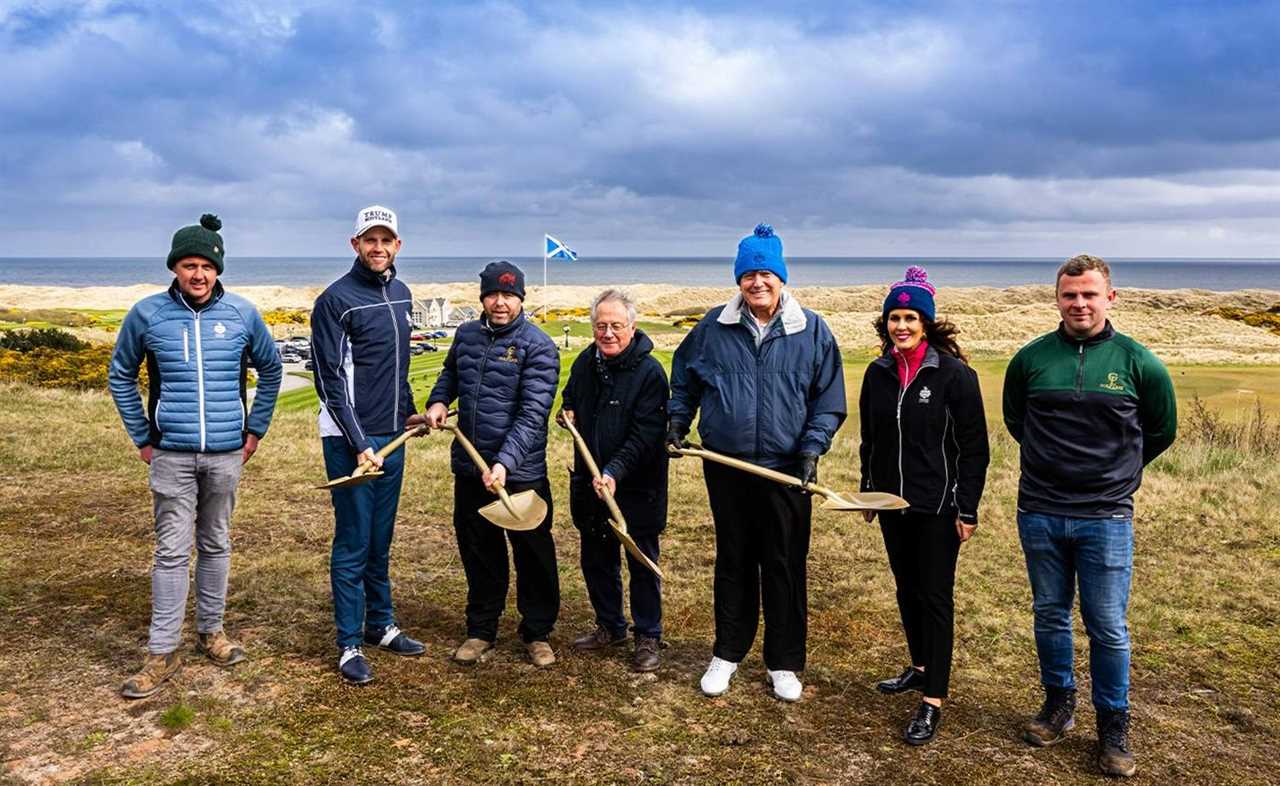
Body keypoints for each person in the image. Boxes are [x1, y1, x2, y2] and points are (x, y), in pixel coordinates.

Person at [1003, 254, 1177, 778]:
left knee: (1107, 626)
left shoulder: (1138, 362)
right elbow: (1017, 421)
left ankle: (1112, 724)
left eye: (1089, 294)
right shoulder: (1031, 359)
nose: (1079, 303)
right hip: (1040, 510)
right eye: (1069, 295)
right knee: (1050, 614)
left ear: (1110, 298)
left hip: (1106, 517)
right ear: (1057, 299)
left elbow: (1160, 430)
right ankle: (1059, 704)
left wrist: (1117, 474)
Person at [668, 224, 846, 702]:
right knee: (734, 560)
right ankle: (727, 652)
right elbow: (685, 380)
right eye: (749, 274)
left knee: (785, 564)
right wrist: (677, 421)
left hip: (787, 469)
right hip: (726, 466)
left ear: (782, 278)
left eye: (766, 272)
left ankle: (784, 663)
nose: (758, 282)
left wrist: (812, 447)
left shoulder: (812, 330)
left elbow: (828, 400)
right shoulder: (713, 327)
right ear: (739, 280)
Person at [109, 213, 282, 698]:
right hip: (170, 454)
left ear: (218, 269)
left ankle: (212, 632)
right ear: (175, 269)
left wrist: (256, 430)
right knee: (170, 550)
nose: (199, 275)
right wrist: (142, 435)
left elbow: (271, 370)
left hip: (228, 453)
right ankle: (162, 652)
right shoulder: (147, 315)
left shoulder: (243, 315)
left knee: (217, 543)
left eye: (206, 266)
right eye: (189, 266)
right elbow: (120, 374)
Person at [857, 266, 990, 744]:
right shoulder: (877, 373)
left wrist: (967, 508)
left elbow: (974, 448)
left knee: (934, 597)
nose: (902, 325)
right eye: (895, 316)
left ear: (927, 323)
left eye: (911, 317)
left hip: (938, 506)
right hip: (892, 504)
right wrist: (867, 490)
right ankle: (918, 666)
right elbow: (870, 438)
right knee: (906, 589)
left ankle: (933, 698)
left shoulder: (955, 376)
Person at [414, 260, 562, 667]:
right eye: (493, 294)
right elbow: (449, 376)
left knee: (533, 553)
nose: (501, 303)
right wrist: (439, 401)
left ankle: (537, 632)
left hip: (520, 473)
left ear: (521, 299)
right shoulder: (466, 335)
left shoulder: (538, 346)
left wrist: (505, 464)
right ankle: (481, 629)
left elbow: (534, 414)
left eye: (509, 296)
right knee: (479, 551)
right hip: (470, 466)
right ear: (482, 297)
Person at [311, 205, 426, 685]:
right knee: (354, 540)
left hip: (391, 436)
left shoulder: (401, 294)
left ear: (397, 245)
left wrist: (410, 411)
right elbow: (330, 381)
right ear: (354, 244)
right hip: (350, 439)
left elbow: (396, 369)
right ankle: (348, 644)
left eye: (386, 240)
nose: (378, 247)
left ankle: (381, 625)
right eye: (369, 239)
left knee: (381, 538)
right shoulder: (335, 300)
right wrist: (360, 443)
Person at [557, 289, 669, 673]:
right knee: (596, 559)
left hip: (636, 487)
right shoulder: (585, 363)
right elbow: (569, 399)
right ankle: (609, 625)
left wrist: (614, 471)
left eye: (615, 326)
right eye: (600, 325)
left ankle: (648, 636)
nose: (607, 333)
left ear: (632, 327)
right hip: (590, 482)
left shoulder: (650, 373)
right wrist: (565, 412)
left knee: (641, 562)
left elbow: (646, 434)